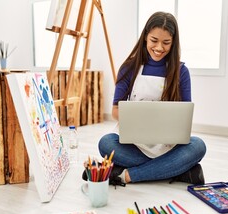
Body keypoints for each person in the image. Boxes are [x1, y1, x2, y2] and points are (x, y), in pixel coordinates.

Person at [83, 11, 206, 186]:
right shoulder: (129, 68)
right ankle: (181, 170)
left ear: (174, 42)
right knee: (106, 143)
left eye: (166, 43)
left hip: (168, 147)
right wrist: (138, 121)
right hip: (135, 145)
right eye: (154, 41)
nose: (159, 48)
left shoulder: (181, 72)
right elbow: (115, 110)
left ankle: (126, 175)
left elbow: (185, 116)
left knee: (198, 146)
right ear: (145, 38)